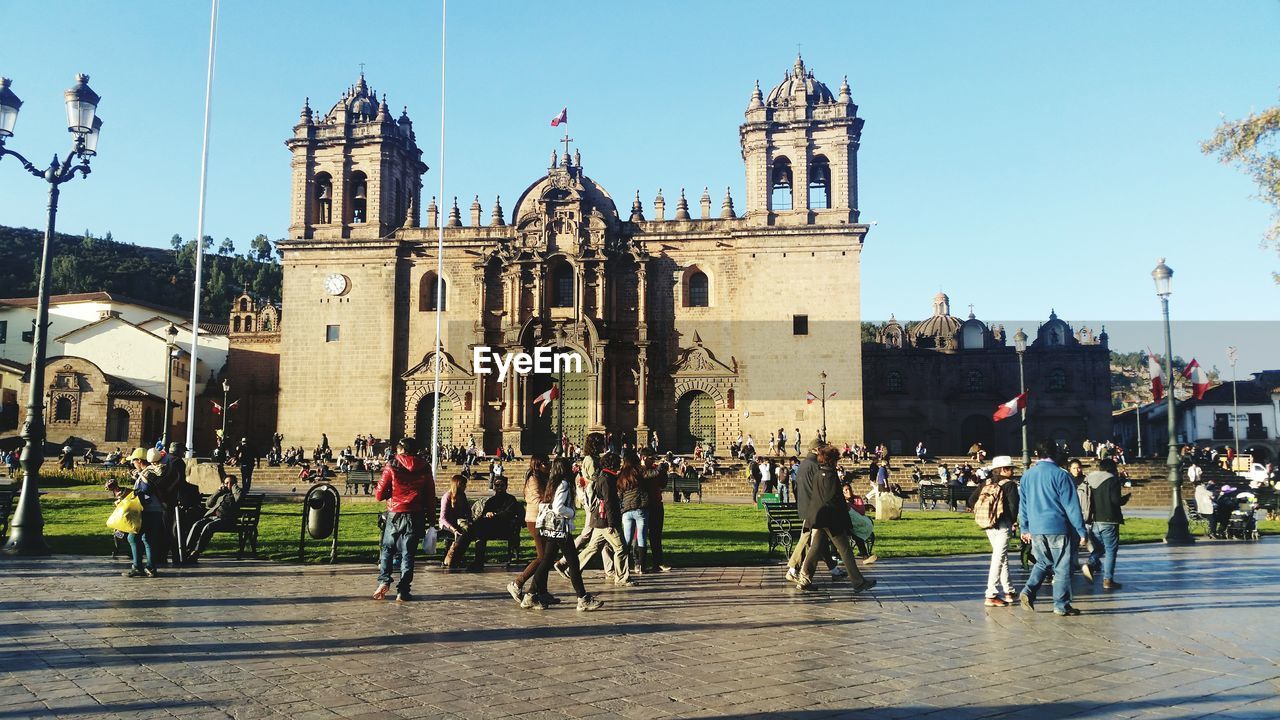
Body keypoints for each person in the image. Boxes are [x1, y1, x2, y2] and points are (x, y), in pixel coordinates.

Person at [1017, 442, 1089, 617]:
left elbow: (1023, 505)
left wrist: (1024, 528)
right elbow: (1071, 506)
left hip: (1036, 528)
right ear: (1055, 453)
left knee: (1043, 563)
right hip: (1057, 526)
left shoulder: (1027, 475)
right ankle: (1061, 604)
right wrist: (1081, 530)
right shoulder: (1061, 475)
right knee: (1062, 567)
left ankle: (1028, 591)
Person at [794, 443, 875, 595]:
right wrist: (844, 513)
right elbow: (832, 499)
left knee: (815, 549)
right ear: (832, 460)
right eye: (837, 459)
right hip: (831, 520)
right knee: (845, 550)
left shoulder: (819, 473)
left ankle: (804, 580)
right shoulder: (830, 475)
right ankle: (858, 582)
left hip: (819, 518)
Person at [523, 457, 603, 611]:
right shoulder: (564, 484)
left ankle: (530, 595)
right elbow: (558, 507)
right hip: (560, 528)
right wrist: (571, 512)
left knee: (546, 561)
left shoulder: (552, 483)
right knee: (573, 562)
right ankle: (582, 598)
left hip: (551, 528)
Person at [373, 437, 434, 602]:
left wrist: (389, 494)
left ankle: (384, 581)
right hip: (416, 514)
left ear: (401, 449)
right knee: (408, 555)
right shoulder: (425, 467)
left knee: (387, 549)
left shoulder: (392, 465)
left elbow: (379, 494)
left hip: (395, 513)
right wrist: (432, 520)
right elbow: (430, 495)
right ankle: (403, 591)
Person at [575, 445, 634, 588]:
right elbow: (609, 502)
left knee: (592, 547)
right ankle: (621, 578)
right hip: (606, 520)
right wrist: (612, 523)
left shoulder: (601, 476)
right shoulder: (607, 479)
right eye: (617, 463)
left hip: (599, 519)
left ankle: (573, 569)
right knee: (620, 548)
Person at [970, 455, 1020, 607]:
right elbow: (1013, 507)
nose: (1012, 471)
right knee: (998, 559)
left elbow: (971, 500)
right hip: (1003, 524)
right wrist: (1012, 521)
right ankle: (991, 594)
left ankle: (1009, 591)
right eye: (1010, 469)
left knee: (1001, 557)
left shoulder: (987, 482)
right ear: (1004, 469)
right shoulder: (1009, 485)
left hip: (988, 524)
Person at [450, 475, 520, 570]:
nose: (499, 487)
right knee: (474, 531)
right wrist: (487, 514)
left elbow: (509, 514)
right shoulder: (491, 501)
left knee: (474, 529)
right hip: (488, 528)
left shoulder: (511, 499)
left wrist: (495, 514)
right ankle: (458, 559)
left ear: (506, 486)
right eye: (497, 485)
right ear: (494, 486)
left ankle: (460, 559)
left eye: (502, 485)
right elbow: (483, 514)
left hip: (504, 527)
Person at [508, 454, 551, 604]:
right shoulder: (533, 480)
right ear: (538, 465)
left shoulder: (543, 478)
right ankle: (517, 583)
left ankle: (543, 592)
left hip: (543, 519)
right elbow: (535, 499)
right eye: (546, 463)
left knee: (546, 558)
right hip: (535, 520)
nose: (549, 465)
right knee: (542, 557)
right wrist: (551, 505)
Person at [1084, 458, 1127, 590]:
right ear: (1112, 468)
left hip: (1094, 519)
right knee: (1110, 550)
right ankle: (1108, 580)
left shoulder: (1090, 479)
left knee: (1100, 547)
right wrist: (1124, 499)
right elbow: (1115, 500)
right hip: (1109, 519)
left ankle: (1091, 563)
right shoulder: (1112, 480)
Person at [123, 448, 165, 578]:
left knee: (133, 537)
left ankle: (137, 567)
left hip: (147, 510)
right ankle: (151, 568)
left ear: (139, 461)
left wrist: (140, 477)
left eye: (134, 461)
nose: (133, 464)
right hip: (157, 509)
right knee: (148, 539)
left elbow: (146, 490)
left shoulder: (147, 472)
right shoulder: (155, 470)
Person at [185, 475, 243, 559]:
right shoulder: (221, 493)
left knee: (208, 527)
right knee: (197, 525)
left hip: (226, 520)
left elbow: (239, 499)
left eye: (232, 483)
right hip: (212, 518)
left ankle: (196, 551)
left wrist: (234, 487)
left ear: (235, 484)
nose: (229, 485)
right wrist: (218, 491)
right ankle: (187, 549)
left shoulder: (237, 493)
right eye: (227, 483)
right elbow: (208, 504)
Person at [440, 475, 474, 570]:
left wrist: (469, 520)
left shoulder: (462, 496)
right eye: (464, 485)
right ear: (458, 485)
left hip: (458, 523)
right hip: (447, 524)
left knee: (468, 533)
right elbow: (443, 518)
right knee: (460, 534)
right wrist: (453, 529)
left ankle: (455, 557)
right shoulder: (447, 496)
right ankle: (453, 558)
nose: (465, 487)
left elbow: (467, 511)